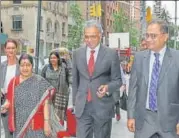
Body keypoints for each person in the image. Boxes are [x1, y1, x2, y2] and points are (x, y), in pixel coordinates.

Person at [127, 19, 179, 138]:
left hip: (170, 122)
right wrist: (130, 115)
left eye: (153, 36)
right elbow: (133, 89)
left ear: (165, 37)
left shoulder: (177, 58)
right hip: (144, 120)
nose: (148, 39)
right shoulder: (139, 58)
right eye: (147, 35)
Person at [72, 20, 122, 138]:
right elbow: (75, 81)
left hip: (102, 107)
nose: (89, 40)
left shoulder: (111, 54)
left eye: (93, 36)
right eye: (86, 37)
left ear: (100, 35)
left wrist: (107, 88)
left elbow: (118, 80)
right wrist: (75, 103)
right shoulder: (77, 53)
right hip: (82, 108)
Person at [1, 54, 57, 138]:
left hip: (37, 124)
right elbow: (9, 100)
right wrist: (5, 106)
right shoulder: (13, 82)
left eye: (28, 65)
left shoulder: (39, 81)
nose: (25, 68)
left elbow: (46, 103)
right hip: (20, 124)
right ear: (19, 66)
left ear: (32, 66)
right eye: (22, 65)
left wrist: (47, 122)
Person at [41, 51, 72, 126]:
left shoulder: (64, 68)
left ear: (58, 59)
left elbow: (71, 79)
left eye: (54, 58)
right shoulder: (46, 68)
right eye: (51, 58)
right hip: (48, 97)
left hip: (60, 97)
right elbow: (41, 81)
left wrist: (68, 61)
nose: (52, 59)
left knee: (59, 118)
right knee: (48, 117)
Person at [0, 39, 20, 138]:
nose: (11, 50)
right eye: (8, 48)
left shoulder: (22, 65)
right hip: (4, 103)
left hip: (19, 103)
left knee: (18, 132)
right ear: (5, 50)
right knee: (7, 133)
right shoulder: (1, 66)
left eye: (13, 48)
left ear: (16, 49)